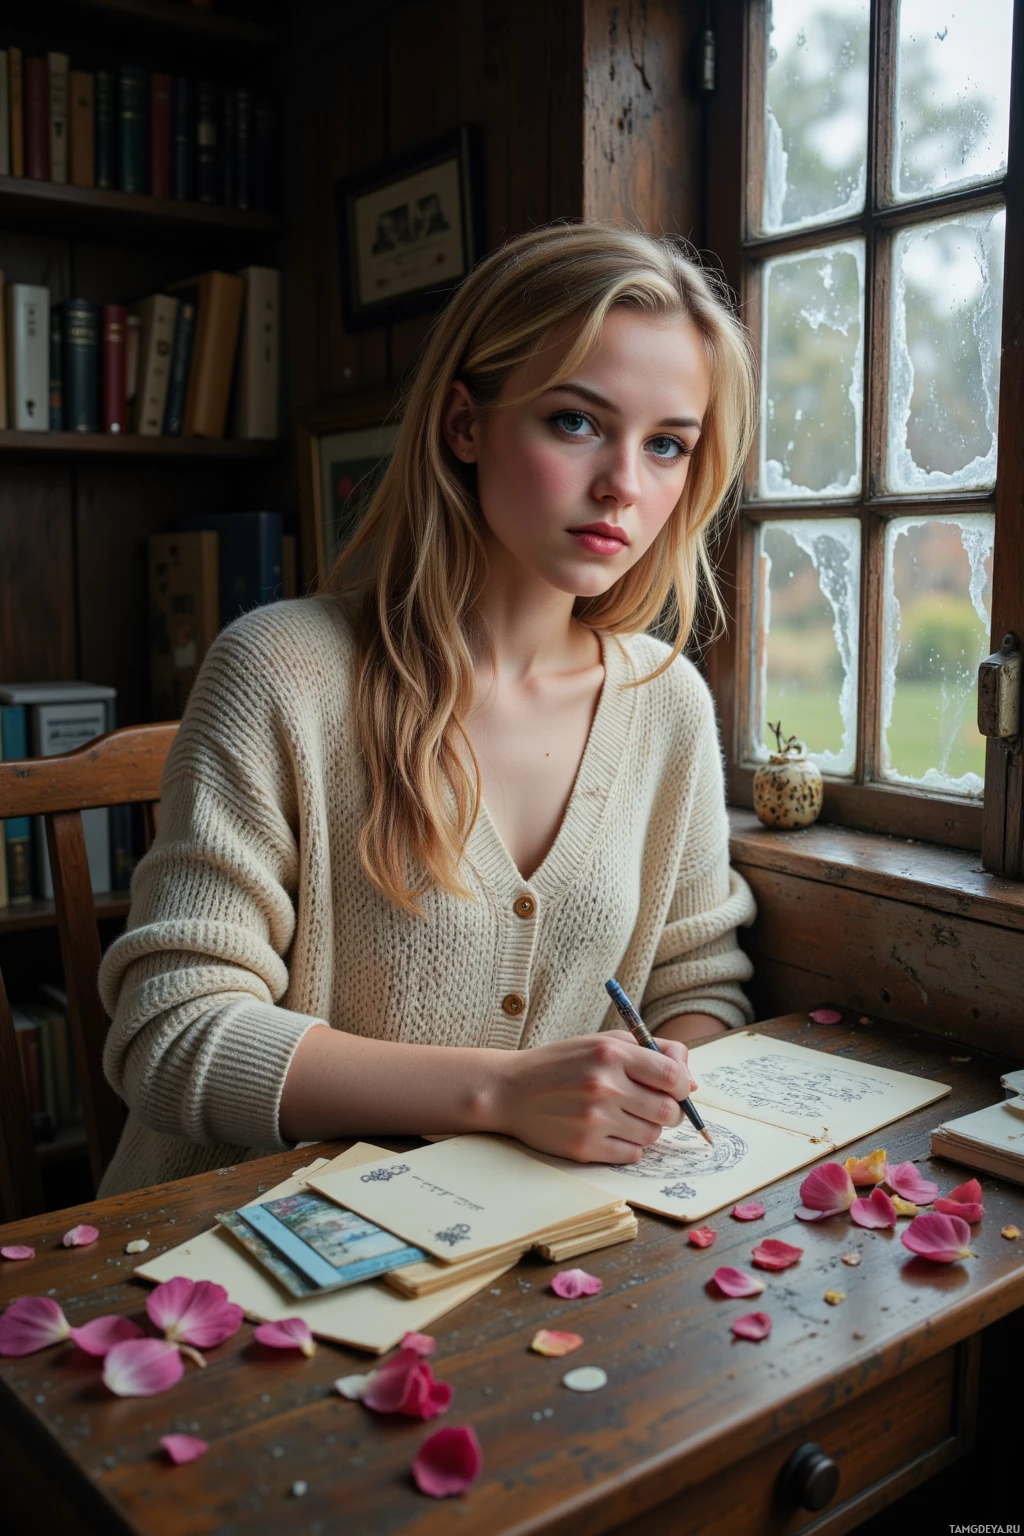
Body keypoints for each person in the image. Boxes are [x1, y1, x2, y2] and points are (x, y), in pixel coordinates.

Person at [97, 221, 758, 1197]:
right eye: (576, 421)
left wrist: (658, 1082)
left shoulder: (667, 705)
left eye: (667, 445)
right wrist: (502, 1093)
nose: (624, 483)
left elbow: (694, 985)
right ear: (463, 424)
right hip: (227, 1253)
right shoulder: (280, 671)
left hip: (515, 1251)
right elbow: (172, 1029)